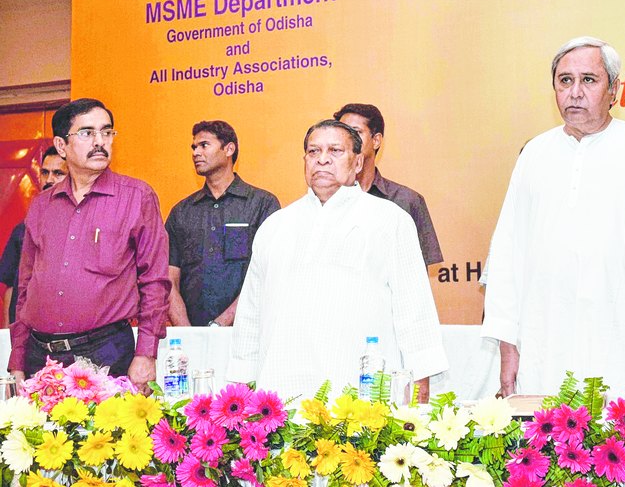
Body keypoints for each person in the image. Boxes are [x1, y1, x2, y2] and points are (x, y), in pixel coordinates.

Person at [481, 36, 625, 400]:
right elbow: (508, 255)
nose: (575, 92)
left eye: (588, 80)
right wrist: (508, 349)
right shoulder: (534, 154)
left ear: (614, 90)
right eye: (565, 81)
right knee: (550, 434)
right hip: (546, 349)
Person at [229, 120, 447, 400]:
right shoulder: (275, 226)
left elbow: (414, 308)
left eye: (335, 151)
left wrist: (420, 385)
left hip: (361, 399)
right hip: (280, 394)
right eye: (313, 151)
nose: (322, 159)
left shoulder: (390, 220)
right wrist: (241, 386)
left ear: (358, 162)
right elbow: (250, 314)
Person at [8, 98, 170, 392]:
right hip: (40, 357)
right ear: (61, 146)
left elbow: (155, 282)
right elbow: (25, 286)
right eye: (87, 133)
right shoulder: (41, 206)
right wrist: (18, 358)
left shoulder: (137, 197)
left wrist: (146, 354)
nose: (99, 141)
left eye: (106, 132)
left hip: (105, 353)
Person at [165, 121, 280, 327]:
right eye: (194, 147)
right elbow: (169, 279)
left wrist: (221, 325)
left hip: (248, 331)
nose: (195, 153)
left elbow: (267, 274)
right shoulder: (181, 212)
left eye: (204, 145)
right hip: (191, 334)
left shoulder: (262, 204)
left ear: (229, 149)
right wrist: (187, 332)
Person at [333, 104, 443, 267]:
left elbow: (417, 273)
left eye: (355, 133)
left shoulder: (407, 201)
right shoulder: (327, 200)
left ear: (376, 140)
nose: (346, 141)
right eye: (341, 134)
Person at [0, 146, 68, 325]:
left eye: (58, 173)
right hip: (27, 330)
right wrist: (7, 332)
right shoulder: (23, 229)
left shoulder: (84, 226)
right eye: (45, 172)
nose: (49, 180)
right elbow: (11, 287)